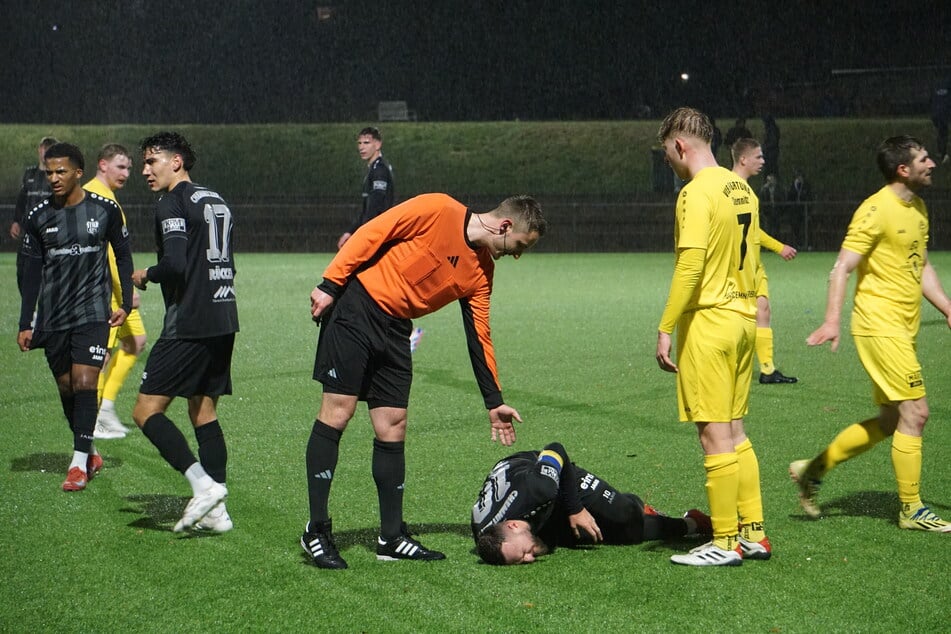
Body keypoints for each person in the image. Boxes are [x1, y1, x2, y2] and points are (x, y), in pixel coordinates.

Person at [302, 193, 547, 569]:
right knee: (338, 411)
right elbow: (372, 233)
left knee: (393, 424)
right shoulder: (438, 209)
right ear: (505, 226)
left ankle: (391, 537)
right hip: (357, 308)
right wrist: (330, 284)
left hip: (396, 329)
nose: (515, 255)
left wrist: (493, 399)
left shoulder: (482, 272)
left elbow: (479, 333)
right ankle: (316, 531)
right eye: (518, 247)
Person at [794, 135, 951, 532]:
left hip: (903, 325)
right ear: (903, 169)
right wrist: (831, 319)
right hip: (878, 325)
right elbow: (842, 267)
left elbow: (922, 266)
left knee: (889, 421)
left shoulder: (917, 208)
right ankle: (911, 509)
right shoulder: (875, 210)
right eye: (924, 159)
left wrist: (947, 308)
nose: (932, 163)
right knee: (916, 413)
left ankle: (814, 470)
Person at [654, 107, 771, 566]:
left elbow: (690, 265)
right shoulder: (741, 187)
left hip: (710, 323)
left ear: (680, 145)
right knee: (736, 432)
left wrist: (666, 326)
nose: (669, 162)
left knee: (713, 436)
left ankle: (723, 542)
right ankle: (753, 533)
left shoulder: (694, 193)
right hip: (743, 320)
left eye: (667, 153)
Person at [131, 132, 239, 534]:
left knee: (145, 411)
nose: (145, 170)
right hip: (224, 316)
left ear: (176, 161)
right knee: (202, 410)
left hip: (190, 322)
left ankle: (203, 485)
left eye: (151, 161)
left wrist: (146, 274)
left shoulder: (170, 202)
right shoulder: (216, 199)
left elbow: (174, 265)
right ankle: (218, 511)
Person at [16, 142, 133, 492]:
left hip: (93, 312)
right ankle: (89, 450)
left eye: (61, 171)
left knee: (85, 382)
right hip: (53, 316)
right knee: (67, 388)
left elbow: (124, 256)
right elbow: (31, 272)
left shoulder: (104, 210)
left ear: (78, 172)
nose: (53, 178)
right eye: (49, 172)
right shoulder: (38, 216)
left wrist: (124, 302)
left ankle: (77, 464)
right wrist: (26, 322)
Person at [472, 441, 712, 565]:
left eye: (523, 553)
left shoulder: (539, 489)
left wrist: (575, 509)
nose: (529, 558)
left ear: (513, 525)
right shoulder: (488, 540)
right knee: (604, 536)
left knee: (625, 519)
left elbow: (556, 449)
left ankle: (638, 506)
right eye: (521, 560)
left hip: (550, 473)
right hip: (533, 505)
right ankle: (693, 523)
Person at [82, 144, 148, 439]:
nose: (126, 173)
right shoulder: (95, 196)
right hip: (103, 289)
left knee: (135, 341)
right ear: (103, 164)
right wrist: (125, 293)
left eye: (129, 168)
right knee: (101, 355)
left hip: (112, 286)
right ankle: (93, 419)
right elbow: (107, 252)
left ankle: (106, 408)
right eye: (120, 166)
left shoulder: (104, 196)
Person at [731, 138, 798, 385]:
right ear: (743, 159)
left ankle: (767, 370)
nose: (763, 161)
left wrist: (779, 248)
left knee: (764, 311)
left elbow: (753, 230)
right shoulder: (728, 189)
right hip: (737, 268)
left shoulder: (747, 191)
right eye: (758, 157)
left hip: (754, 265)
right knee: (739, 319)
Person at [11, 136, 59, 294]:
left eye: (49, 149)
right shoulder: (29, 173)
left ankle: (45, 308)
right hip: (28, 232)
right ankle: (29, 305)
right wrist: (16, 221)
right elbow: (21, 200)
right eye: (44, 148)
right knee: (22, 271)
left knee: (48, 272)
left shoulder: (57, 176)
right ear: (39, 150)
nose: (45, 152)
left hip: (49, 232)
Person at [336, 126, 395, 250]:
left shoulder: (379, 170)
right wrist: (350, 231)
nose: (361, 147)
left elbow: (376, 205)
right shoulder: (374, 169)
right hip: (375, 232)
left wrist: (363, 234)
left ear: (378, 144)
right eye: (360, 143)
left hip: (377, 234)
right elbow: (367, 208)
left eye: (366, 143)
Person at [931, 74, 949, 164]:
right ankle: (943, 154)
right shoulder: (948, 87)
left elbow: (932, 100)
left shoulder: (937, 87)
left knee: (940, 132)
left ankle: (939, 151)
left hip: (936, 113)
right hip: (942, 113)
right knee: (943, 133)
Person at [761, 114, 781, 178]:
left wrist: (765, 147)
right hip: (771, 152)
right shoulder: (772, 129)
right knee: (772, 168)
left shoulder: (771, 129)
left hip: (771, 152)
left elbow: (773, 142)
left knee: (770, 168)